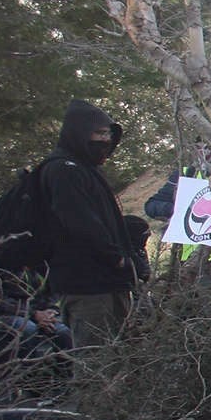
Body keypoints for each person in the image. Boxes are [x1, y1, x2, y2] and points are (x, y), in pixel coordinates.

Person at [34, 99, 146, 344]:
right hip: (86, 283)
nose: (104, 140)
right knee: (96, 362)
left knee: (121, 355)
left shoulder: (86, 170)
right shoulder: (63, 170)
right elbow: (81, 223)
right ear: (79, 133)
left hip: (109, 281)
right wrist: (116, 257)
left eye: (107, 133)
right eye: (98, 133)